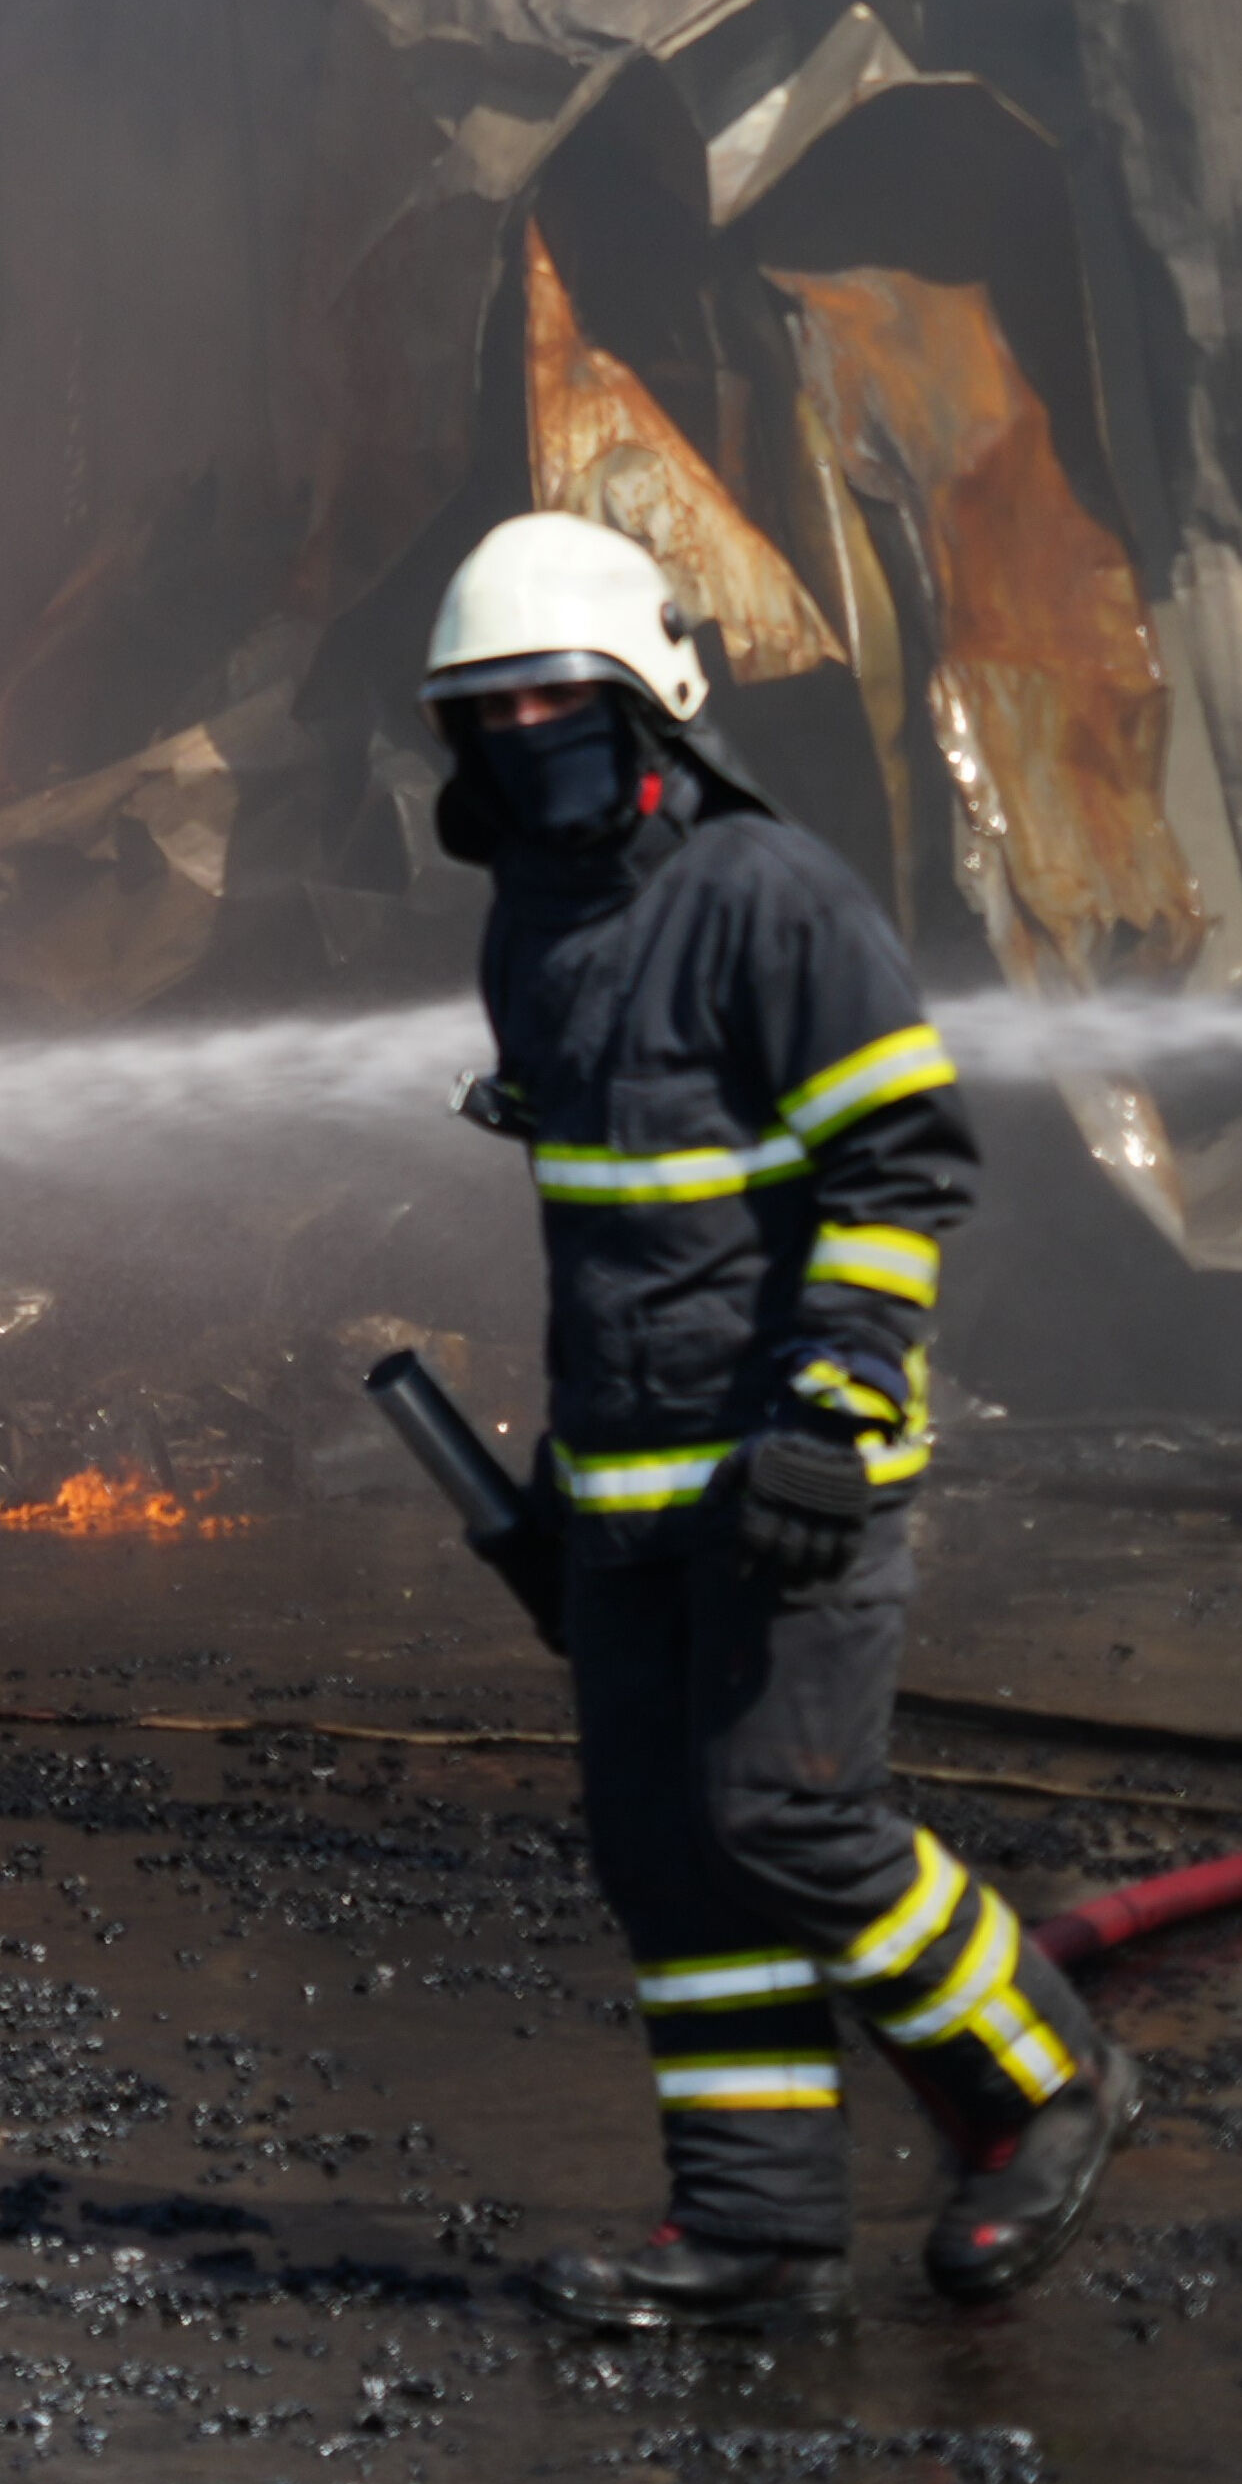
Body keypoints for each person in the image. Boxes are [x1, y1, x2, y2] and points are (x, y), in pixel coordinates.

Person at [423, 508, 1135, 2331]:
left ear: (648, 704)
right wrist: (570, 1489)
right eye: (491, 719)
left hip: (795, 1475)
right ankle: (757, 2223)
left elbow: (900, 1170)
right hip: (630, 1488)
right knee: (666, 1850)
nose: (525, 746)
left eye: (556, 711)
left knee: (791, 1818)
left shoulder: (774, 898)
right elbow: (616, 1245)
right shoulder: (534, 927)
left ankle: (1049, 2081)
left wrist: (833, 1408)